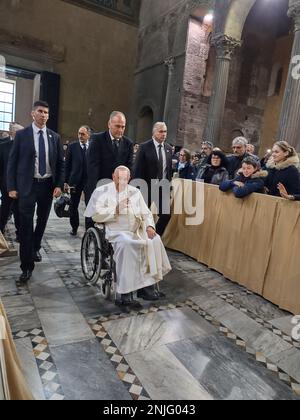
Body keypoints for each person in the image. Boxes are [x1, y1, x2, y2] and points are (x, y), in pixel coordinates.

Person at [85, 166, 171, 309]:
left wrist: (150, 226)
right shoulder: (102, 191)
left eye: (125, 179)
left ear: (129, 178)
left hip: (137, 229)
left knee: (154, 239)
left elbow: (147, 213)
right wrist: (116, 209)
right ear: (113, 177)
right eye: (119, 178)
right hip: (115, 231)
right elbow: (95, 215)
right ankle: (124, 294)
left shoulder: (135, 192)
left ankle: (146, 288)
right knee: (127, 244)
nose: (122, 181)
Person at [7, 101, 65, 282]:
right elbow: (12, 162)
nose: (44, 115)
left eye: (46, 112)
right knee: (25, 226)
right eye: (40, 111)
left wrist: (59, 184)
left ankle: (35, 246)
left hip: (47, 185)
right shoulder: (22, 135)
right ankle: (26, 266)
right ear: (33, 113)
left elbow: (60, 164)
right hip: (27, 185)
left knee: (42, 221)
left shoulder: (54, 137)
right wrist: (11, 187)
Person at [133, 122, 173, 236]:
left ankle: (155, 238)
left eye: (165, 131)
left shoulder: (169, 148)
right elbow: (137, 169)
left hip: (162, 188)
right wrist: (137, 188)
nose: (163, 134)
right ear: (154, 132)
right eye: (161, 131)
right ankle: (137, 237)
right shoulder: (144, 147)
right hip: (146, 187)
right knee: (142, 216)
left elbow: (168, 170)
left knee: (166, 215)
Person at [87, 111, 134, 195]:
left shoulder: (128, 143)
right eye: (117, 126)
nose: (120, 130)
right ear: (109, 124)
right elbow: (93, 167)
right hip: (100, 187)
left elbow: (129, 167)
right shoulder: (97, 139)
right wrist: (95, 191)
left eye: (123, 127)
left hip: (119, 190)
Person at [65, 126, 91, 236]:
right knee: (73, 205)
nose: (80, 136)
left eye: (83, 134)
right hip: (75, 181)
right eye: (79, 133)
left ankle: (89, 229)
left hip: (89, 181)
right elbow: (67, 165)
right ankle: (74, 227)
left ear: (88, 135)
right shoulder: (72, 146)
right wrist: (65, 181)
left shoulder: (93, 146)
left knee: (90, 205)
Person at [0, 123, 23, 239]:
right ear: (12, 133)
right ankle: (0, 230)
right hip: (6, 185)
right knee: (5, 209)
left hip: (21, 185)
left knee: (19, 211)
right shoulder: (3, 146)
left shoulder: (26, 146)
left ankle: (20, 234)